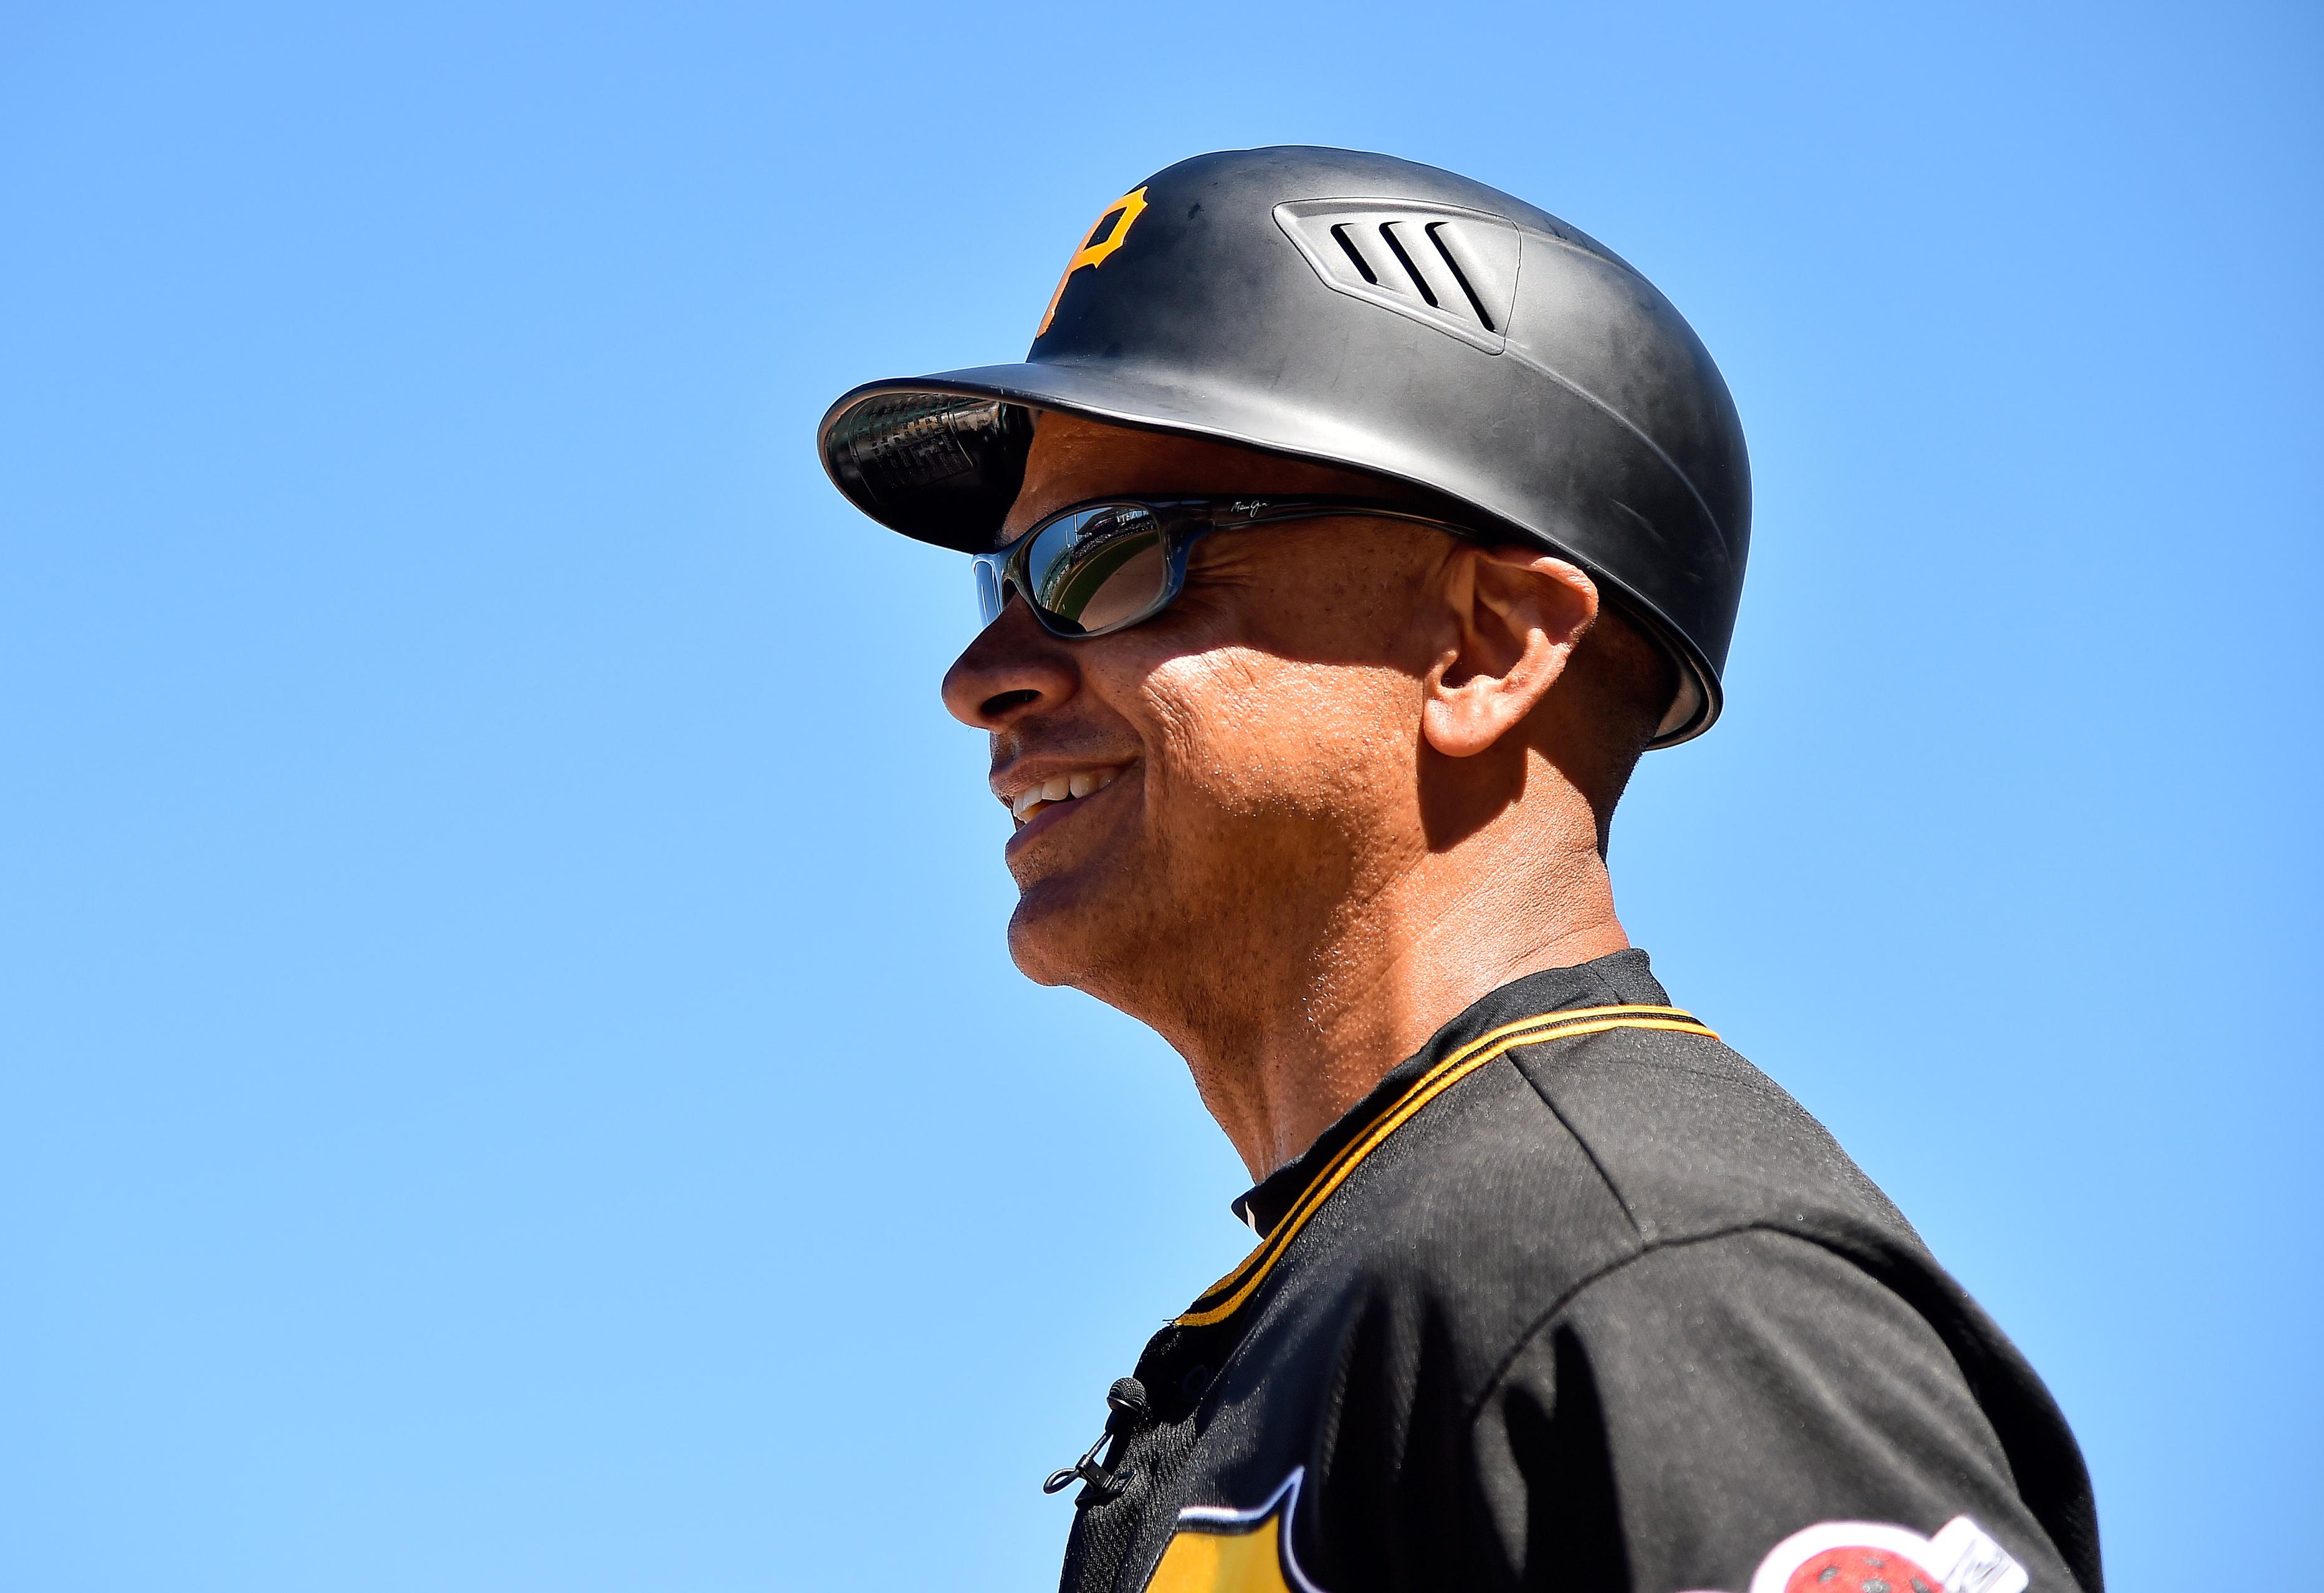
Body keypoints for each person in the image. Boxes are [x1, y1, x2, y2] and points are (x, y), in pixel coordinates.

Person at [815, 147, 2101, 1593]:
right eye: (1000, 579)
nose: (978, 674)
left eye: (1109, 557)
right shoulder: (1413, 1264)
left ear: (1486, 647)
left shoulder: (1650, 1278)